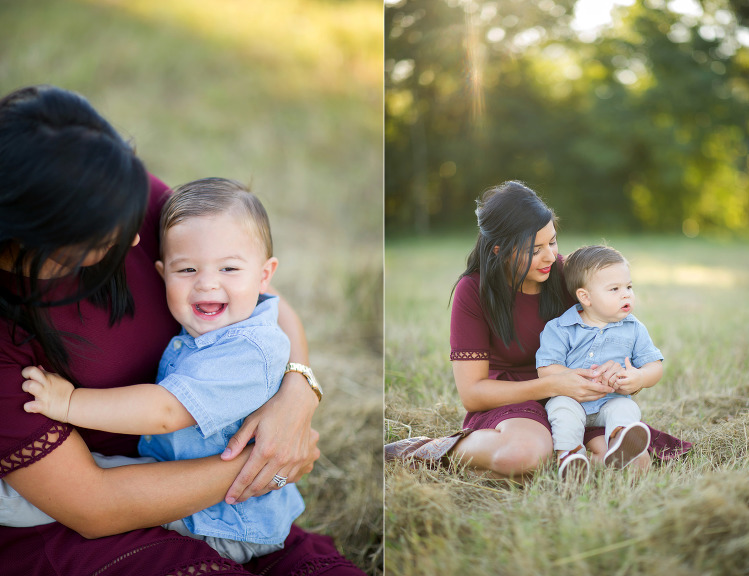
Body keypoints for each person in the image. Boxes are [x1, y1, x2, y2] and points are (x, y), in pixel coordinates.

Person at [0, 85, 362, 575]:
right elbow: (92, 505)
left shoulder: (120, 196)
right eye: (107, 237)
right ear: (36, 238)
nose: (133, 238)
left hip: (221, 501)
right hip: (91, 517)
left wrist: (298, 394)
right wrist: (264, 463)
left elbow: (267, 310)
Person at [20, 178, 309, 563]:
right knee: (78, 482)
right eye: (187, 269)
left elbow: (166, 411)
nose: (207, 283)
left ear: (264, 275)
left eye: (228, 268)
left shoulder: (250, 350)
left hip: (226, 521)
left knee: (92, 506)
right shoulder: (212, 327)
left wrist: (70, 403)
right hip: (183, 479)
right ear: (161, 273)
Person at [385, 180, 691, 482]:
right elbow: (472, 394)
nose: (550, 256)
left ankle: (543, 469)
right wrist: (554, 385)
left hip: (580, 402)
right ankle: (431, 451)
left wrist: (618, 376)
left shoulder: (569, 275)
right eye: (535, 249)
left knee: (635, 467)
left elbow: (620, 338)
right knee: (527, 455)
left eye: (552, 242)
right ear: (499, 249)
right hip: (512, 401)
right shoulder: (474, 291)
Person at [537, 245, 662, 482]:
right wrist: (578, 378)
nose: (626, 294)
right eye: (614, 289)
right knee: (562, 410)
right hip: (572, 399)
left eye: (629, 287)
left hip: (610, 401)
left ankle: (619, 440)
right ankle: (569, 456)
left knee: (627, 408)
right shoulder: (560, 328)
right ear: (585, 297)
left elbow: (654, 365)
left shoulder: (634, 328)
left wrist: (638, 377)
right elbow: (547, 369)